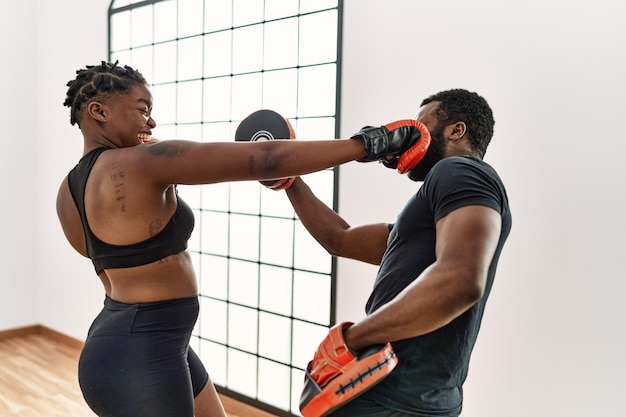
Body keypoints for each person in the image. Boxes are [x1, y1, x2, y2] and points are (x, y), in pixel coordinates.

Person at [55, 61, 423, 417]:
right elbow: (267, 156)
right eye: (142, 109)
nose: (150, 121)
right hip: (141, 354)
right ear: (99, 111)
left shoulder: (68, 192)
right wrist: (372, 143)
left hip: (138, 341)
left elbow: (127, 249)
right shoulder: (143, 161)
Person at [284, 89, 512, 416]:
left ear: (455, 130)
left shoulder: (459, 171)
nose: (406, 135)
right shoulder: (432, 211)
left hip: (394, 394)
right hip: (408, 395)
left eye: (420, 123)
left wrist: (355, 339)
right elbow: (340, 238)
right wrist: (290, 181)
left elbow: (460, 281)